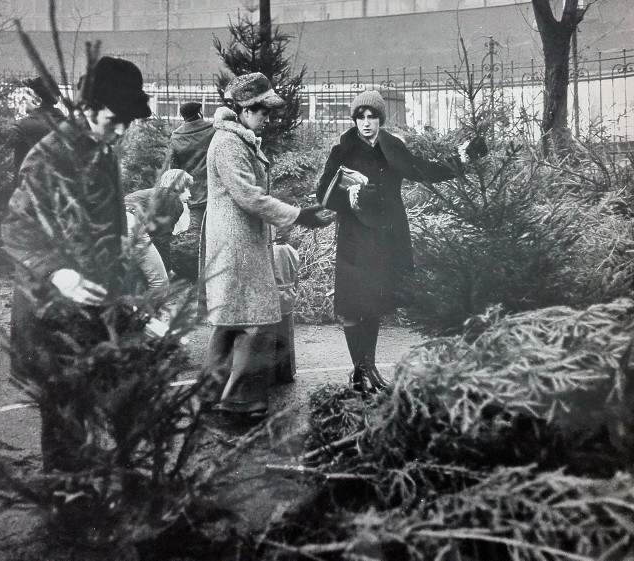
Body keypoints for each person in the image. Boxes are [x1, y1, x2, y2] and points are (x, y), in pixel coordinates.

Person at [2, 56, 152, 471]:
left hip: (92, 307)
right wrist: (58, 272)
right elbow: (17, 228)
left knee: (97, 408)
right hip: (51, 310)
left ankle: (93, 491)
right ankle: (69, 513)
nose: (121, 131)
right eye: (113, 119)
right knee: (64, 419)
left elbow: (111, 226)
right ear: (88, 108)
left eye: (128, 122)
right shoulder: (51, 155)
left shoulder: (103, 150)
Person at [316, 90, 486, 393]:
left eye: (372, 117)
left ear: (381, 119)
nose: (366, 123)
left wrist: (462, 159)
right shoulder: (342, 150)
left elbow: (423, 169)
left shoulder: (393, 146)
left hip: (386, 235)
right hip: (355, 237)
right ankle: (360, 372)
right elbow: (323, 195)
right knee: (355, 304)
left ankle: (367, 370)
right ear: (354, 119)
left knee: (374, 303)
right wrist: (351, 195)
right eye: (361, 117)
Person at [199, 72, 330, 421]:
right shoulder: (228, 144)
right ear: (242, 110)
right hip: (236, 242)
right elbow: (248, 196)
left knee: (231, 317)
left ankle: (213, 393)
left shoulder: (238, 140)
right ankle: (240, 400)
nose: (268, 119)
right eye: (263, 111)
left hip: (238, 240)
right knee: (255, 318)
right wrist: (299, 215)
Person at [124, 169, 193, 299]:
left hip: (116, 222)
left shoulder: (153, 194)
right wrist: (168, 269)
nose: (190, 195)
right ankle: (150, 317)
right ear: (178, 185)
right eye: (187, 188)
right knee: (160, 283)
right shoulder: (173, 199)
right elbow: (162, 239)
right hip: (132, 223)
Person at [168, 102, 215, 281]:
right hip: (216, 190)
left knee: (196, 233)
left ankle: (196, 274)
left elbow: (175, 167)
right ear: (200, 112)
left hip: (194, 192)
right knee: (217, 231)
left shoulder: (177, 136)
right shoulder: (212, 129)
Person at [1, 77, 66, 193]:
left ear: (37, 101)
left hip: (29, 197)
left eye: (28, 94)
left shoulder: (27, 125)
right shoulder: (64, 122)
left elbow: (0, 141)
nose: (24, 98)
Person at [271, 227, 300, 383]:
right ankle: (286, 373)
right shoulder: (292, 250)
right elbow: (297, 275)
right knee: (286, 335)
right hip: (288, 294)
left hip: (273, 294)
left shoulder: (269, 251)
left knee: (269, 334)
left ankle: (271, 373)